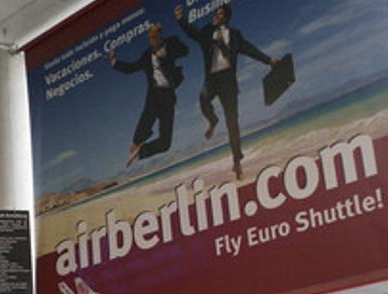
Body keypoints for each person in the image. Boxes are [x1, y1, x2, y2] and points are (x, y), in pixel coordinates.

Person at [174, 3, 278, 179]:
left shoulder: (235, 35)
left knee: (232, 122)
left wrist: (268, 61)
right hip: (212, 79)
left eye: (220, 13)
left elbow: (250, 50)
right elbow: (192, 32)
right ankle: (213, 120)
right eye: (216, 13)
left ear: (226, 17)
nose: (216, 15)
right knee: (203, 99)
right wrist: (180, 19)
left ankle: (237, 162)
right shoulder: (207, 32)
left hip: (228, 81)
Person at [109, 22, 189, 167]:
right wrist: (115, 62)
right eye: (149, 38)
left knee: (165, 143)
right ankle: (136, 143)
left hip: (168, 97)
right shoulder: (146, 56)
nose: (152, 40)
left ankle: (141, 151)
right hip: (154, 96)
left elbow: (185, 51)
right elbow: (131, 68)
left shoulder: (171, 43)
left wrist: (166, 52)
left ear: (160, 35)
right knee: (142, 130)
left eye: (154, 36)